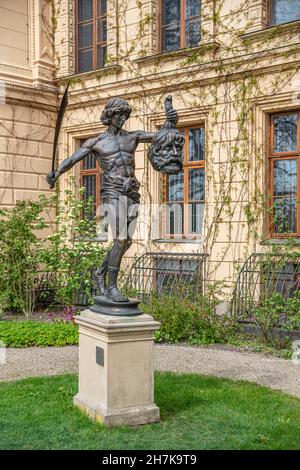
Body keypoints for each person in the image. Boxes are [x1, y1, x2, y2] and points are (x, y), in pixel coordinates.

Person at [46, 97, 183, 302]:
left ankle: (100, 272)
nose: (122, 119)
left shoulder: (133, 137)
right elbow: (73, 159)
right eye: (118, 115)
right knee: (119, 238)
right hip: (112, 192)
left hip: (132, 191)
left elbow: (160, 136)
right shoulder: (97, 142)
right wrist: (56, 173)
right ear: (109, 116)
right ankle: (112, 287)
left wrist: (170, 121)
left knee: (127, 241)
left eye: (125, 115)